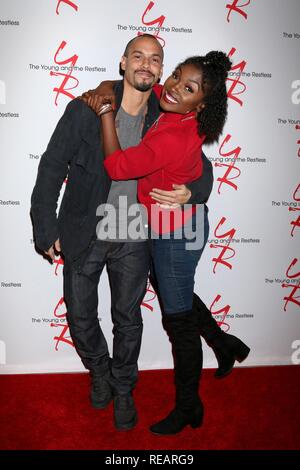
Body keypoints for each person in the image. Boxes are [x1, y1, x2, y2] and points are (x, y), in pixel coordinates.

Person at [30, 34, 212, 432]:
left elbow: (202, 165)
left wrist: (193, 191)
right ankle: (101, 373)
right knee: (80, 317)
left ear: (162, 70)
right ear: (123, 63)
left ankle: (125, 387)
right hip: (84, 229)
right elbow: (51, 165)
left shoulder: (167, 112)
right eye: (138, 57)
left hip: (136, 234)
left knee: (127, 320)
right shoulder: (87, 109)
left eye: (156, 59)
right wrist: (45, 226)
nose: (146, 65)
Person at [86, 49, 250, 435]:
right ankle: (224, 344)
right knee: (176, 295)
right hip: (170, 226)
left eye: (187, 86)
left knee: (178, 322)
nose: (173, 86)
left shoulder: (175, 133)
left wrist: (105, 113)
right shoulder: (177, 106)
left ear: (202, 103)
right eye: (176, 75)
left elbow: (117, 167)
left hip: (177, 233)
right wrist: (103, 88)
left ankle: (189, 406)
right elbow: (133, 83)